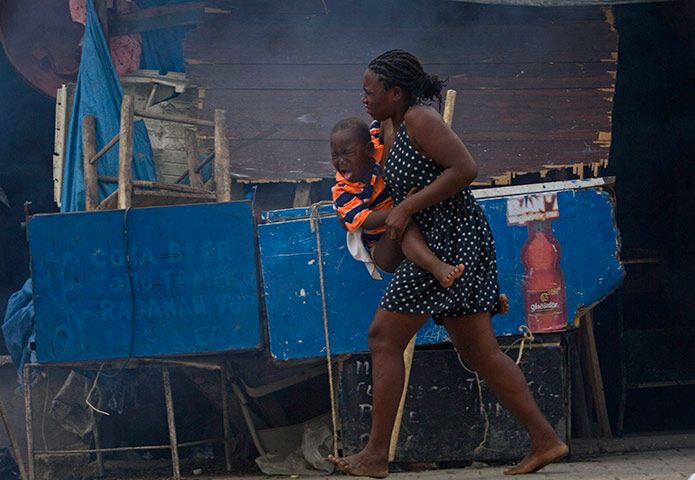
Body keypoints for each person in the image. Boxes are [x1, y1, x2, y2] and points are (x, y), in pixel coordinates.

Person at [327, 49, 568, 477]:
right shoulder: (387, 127)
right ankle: (546, 441)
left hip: (450, 237)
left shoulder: (420, 119)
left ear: (396, 92)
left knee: (383, 336)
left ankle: (375, 456)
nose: (363, 98)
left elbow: (465, 168)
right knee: (480, 351)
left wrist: (407, 208)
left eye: (371, 91)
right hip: (437, 240)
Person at [330, 117, 465, 288]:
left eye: (347, 153)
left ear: (369, 150)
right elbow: (366, 220)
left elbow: (384, 119)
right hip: (381, 246)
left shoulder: (378, 145)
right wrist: (404, 209)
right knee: (401, 225)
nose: (340, 161)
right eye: (335, 155)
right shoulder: (343, 190)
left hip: (407, 220)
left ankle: (487, 297)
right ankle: (437, 267)